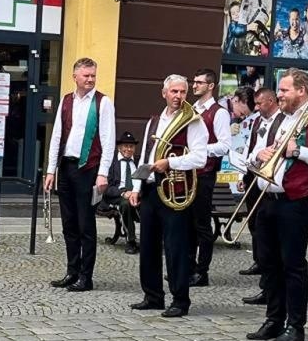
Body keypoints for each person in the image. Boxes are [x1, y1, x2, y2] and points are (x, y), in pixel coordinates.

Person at [246, 69, 308, 341]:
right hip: (268, 196)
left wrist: (299, 151)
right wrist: (258, 155)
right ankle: (274, 318)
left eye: (285, 90)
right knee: (268, 261)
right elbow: (257, 154)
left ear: (302, 90)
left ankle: (295, 325)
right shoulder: (281, 119)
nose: (279, 94)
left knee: (292, 263)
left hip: (298, 199)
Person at [129, 74, 208, 318]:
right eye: (174, 91)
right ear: (164, 93)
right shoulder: (153, 121)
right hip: (152, 190)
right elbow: (144, 157)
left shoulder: (193, 122)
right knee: (149, 246)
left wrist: (170, 163)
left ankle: (180, 300)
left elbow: (200, 158)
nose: (178, 96)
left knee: (176, 248)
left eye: (183, 92)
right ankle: (153, 296)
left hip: (176, 191)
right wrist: (136, 187)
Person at [43, 58, 116, 292]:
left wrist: (103, 173)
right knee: (69, 224)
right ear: (75, 76)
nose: (90, 79)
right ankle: (72, 271)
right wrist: (51, 169)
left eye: (93, 75)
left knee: (86, 225)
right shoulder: (66, 101)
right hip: (66, 167)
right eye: (86, 75)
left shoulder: (103, 103)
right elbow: (56, 136)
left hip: (88, 169)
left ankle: (86, 276)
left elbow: (108, 140)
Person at [188, 68, 232, 287]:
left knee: (202, 225)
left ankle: (201, 271)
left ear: (210, 86)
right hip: (187, 172)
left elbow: (224, 145)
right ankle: (186, 267)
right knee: (187, 223)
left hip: (205, 173)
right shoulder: (192, 109)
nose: (194, 85)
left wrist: (199, 149)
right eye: (194, 81)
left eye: (199, 82)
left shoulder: (219, 112)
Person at [237, 83, 278, 285]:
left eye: (259, 103)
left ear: (270, 102)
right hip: (252, 173)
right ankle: (258, 259)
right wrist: (242, 174)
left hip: (268, 178)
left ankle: (265, 264)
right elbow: (248, 148)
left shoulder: (281, 121)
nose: (256, 107)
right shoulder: (256, 122)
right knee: (253, 221)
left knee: (263, 225)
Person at [102, 132, 139, 252]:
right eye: (126, 146)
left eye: (131, 146)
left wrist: (136, 193)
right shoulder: (111, 162)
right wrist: (123, 193)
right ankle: (131, 241)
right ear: (119, 148)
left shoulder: (138, 162)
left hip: (137, 194)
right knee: (125, 204)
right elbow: (106, 187)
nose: (129, 149)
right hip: (117, 196)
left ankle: (152, 240)